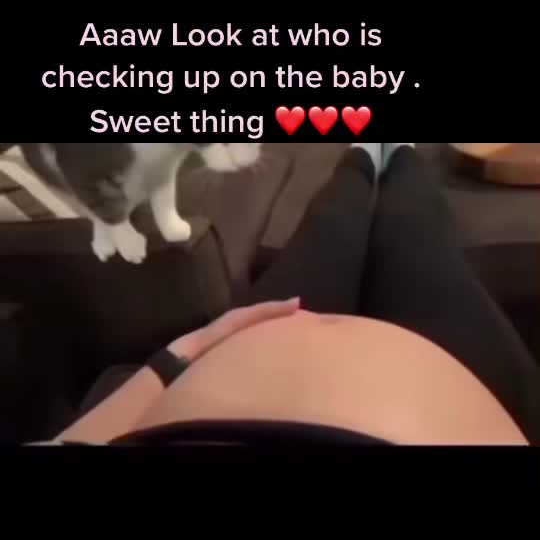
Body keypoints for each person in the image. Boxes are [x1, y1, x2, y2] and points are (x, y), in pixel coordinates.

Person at [51, 144, 540, 446]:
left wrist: (175, 358)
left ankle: (364, 156)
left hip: (247, 345)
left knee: (328, 223)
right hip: (466, 381)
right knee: (417, 229)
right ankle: (397, 155)